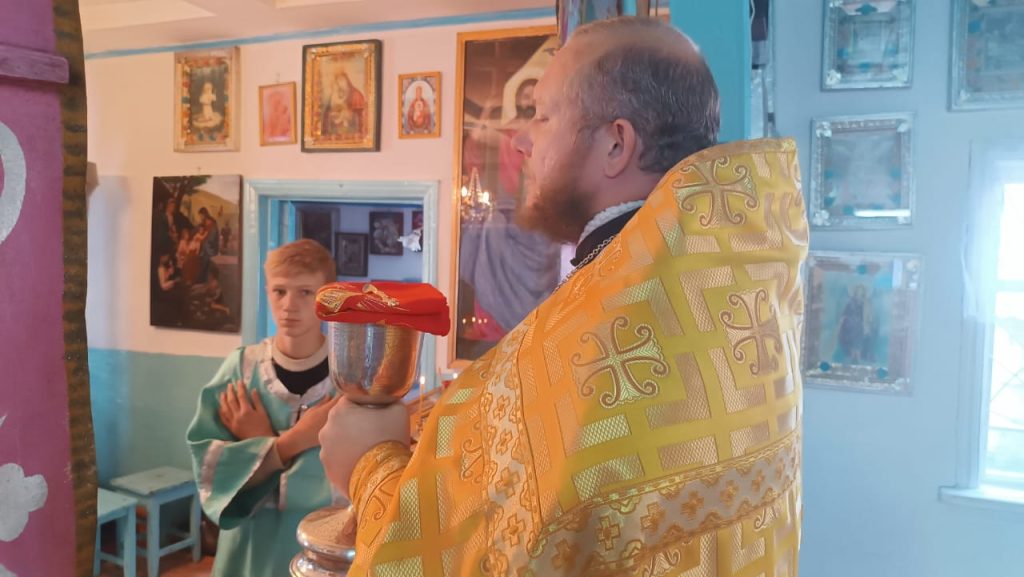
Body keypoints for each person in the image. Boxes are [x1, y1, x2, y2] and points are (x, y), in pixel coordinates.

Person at [320, 16, 808, 576]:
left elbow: (470, 560)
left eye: (541, 114)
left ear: (616, 144)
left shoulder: (596, 343)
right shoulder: (738, 285)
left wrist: (370, 466)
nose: (520, 139)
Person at [186, 239, 342, 577]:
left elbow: (356, 481)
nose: (289, 305)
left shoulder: (347, 378)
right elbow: (213, 475)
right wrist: (293, 442)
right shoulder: (241, 370)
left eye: (305, 292)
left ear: (328, 297)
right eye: (279, 291)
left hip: (321, 550)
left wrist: (258, 445)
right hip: (248, 547)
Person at [324, 70, 367, 138]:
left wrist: (349, 113)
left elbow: (361, 115)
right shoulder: (336, 94)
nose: (340, 84)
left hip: (353, 130)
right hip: (338, 130)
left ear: (347, 80)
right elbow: (328, 111)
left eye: (342, 80)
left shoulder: (357, 94)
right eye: (338, 81)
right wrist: (333, 113)